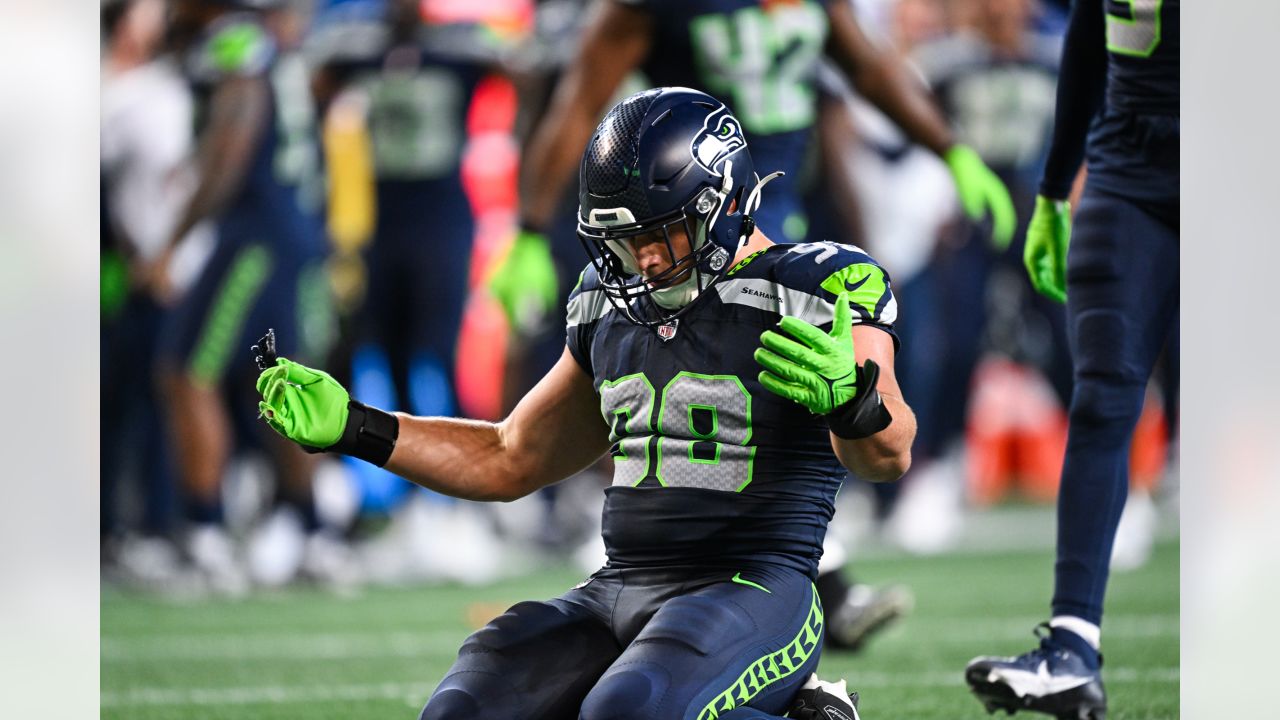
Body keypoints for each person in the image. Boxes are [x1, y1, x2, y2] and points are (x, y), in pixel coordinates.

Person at [255, 88, 915, 719]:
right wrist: (353, 427)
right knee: (465, 709)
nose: (647, 261)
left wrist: (852, 401)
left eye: (665, 234)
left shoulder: (814, 282)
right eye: (627, 241)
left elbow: (890, 453)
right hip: (621, 587)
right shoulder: (605, 302)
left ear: (726, 201)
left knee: (632, 711)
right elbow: (511, 457)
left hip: (756, 588)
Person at [491, 0, 1008, 650]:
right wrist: (530, 228)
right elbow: (579, 104)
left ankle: (810, 577)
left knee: (810, 383)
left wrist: (950, 148)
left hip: (774, 208)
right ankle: (754, 571)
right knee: (682, 383)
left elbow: (871, 69)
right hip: (679, 225)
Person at [964, 1, 1179, 718]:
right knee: (1102, 394)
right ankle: (1071, 650)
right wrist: (1055, 187)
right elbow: (1091, 31)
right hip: (1129, 169)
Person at [153, 0, 336, 592]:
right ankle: (310, 531)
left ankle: (205, 535)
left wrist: (175, 237)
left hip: (255, 232)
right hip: (290, 229)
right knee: (279, 385)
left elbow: (236, 129)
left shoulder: (238, 39)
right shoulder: (271, 39)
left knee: (186, 371)